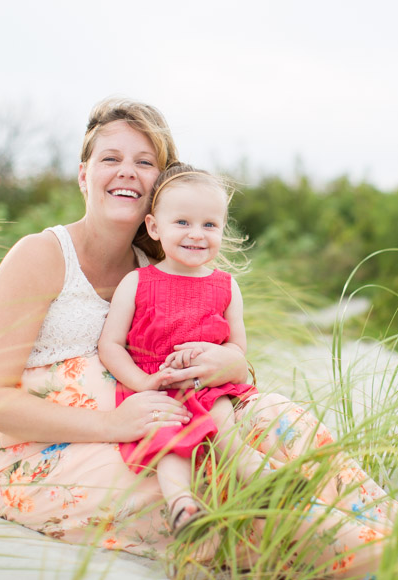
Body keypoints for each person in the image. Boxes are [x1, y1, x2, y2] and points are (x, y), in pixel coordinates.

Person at [0, 97, 398, 577]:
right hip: (52, 451)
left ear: (159, 191)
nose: (126, 172)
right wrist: (113, 425)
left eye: (144, 163)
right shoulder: (40, 256)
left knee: (282, 422)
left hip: (176, 419)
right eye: (110, 159)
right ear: (84, 175)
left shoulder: (164, 266)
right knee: (214, 488)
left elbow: (226, 351)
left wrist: (231, 364)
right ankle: (373, 561)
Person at [98, 163, 301, 550]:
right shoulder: (138, 282)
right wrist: (142, 383)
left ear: (223, 230)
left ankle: (261, 479)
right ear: (155, 228)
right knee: (168, 439)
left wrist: (218, 357)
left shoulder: (225, 285)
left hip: (208, 385)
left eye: (210, 225)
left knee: (224, 422)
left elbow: (238, 347)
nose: (196, 234)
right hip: (155, 385)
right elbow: (110, 344)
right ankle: (183, 508)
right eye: (183, 222)